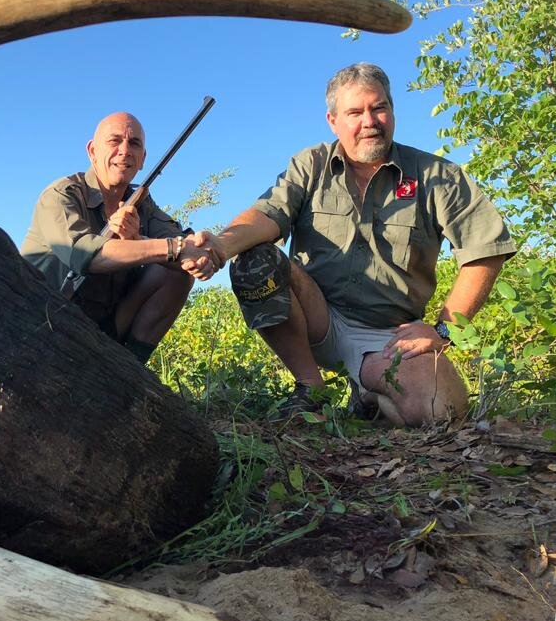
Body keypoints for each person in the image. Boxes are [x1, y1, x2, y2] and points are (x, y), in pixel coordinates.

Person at [212, 63, 516, 425]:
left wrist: (442, 331)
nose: (369, 121)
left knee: (441, 411)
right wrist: (219, 245)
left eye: (379, 108)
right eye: (355, 112)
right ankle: (311, 388)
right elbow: (265, 216)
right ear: (333, 121)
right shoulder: (310, 165)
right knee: (254, 260)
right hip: (316, 316)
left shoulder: (438, 176)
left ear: (392, 110)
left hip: (390, 336)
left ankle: (368, 389)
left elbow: (485, 252)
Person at [21, 111, 222, 363]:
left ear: (143, 159)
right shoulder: (61, 195)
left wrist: (197, 251)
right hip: (44, 321)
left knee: (175, 273)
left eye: (134, 143)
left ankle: (130, 369)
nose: (125, 150)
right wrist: (176, 248)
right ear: (92, 151)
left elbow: (182, 243)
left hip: (103, 327)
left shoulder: (143, 203)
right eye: (114, 141)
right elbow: (85, 255)